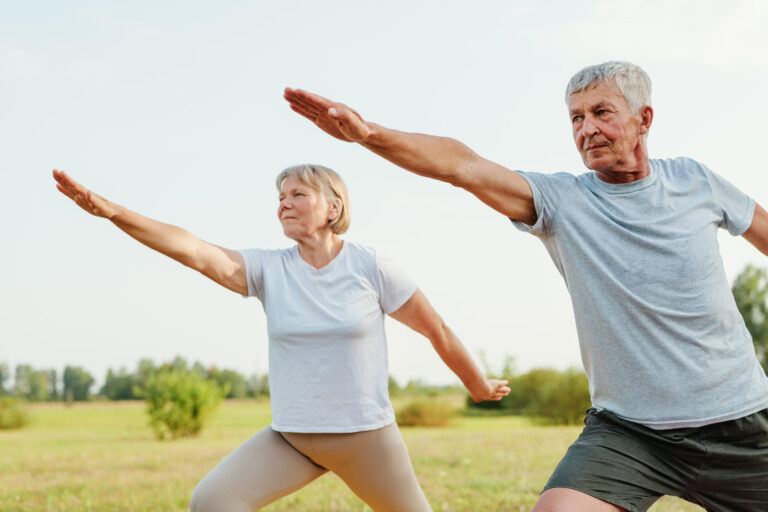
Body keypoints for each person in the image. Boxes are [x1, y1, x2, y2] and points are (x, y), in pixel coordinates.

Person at [283, 61, 768, 512]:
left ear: (644, 118)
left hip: (744, 424)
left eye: (601, 112)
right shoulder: (563, 201)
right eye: (575, 118)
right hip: (631, 434)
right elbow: (462, 166)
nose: (587, 129)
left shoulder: (696, 181)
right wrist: (370, 135)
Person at [52, 164, 510, 511]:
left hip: (366, 439)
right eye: (280, 196)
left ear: (334, 207)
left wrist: (477, 385)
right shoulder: (269, 269)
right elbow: (192, 250)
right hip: (291, 440)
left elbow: (437, 329)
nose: (283, 203)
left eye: (297, 194)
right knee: (211, 502)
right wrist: (112, 213)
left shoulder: (371, 266)